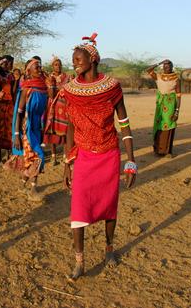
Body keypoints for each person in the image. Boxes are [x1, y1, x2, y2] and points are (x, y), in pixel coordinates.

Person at [61, 33, 137, 281]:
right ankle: (80, 261)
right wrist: (67, 163)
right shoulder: (71, 90)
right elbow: (70, 126)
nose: (75, 63)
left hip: (108, 154)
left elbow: (123, 122)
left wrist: (131, 160)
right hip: (84, 155)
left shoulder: (112, 87)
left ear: (92, 59)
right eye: (73, 60)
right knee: (79, 208)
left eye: (78, 59)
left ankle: (109, 250)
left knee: (109, 206)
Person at [5, 58, 49, 201]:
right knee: (37, 156)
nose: (39, 68)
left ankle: (23, 185)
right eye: (36, 66)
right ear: (28, 70)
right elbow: (19, 113)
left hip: (38, 127)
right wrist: (17, 135)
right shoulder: (27, 89)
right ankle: (33, 189)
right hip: (27, 128)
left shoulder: (43, 87)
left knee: (31, 158)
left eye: (40, 66)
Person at [146, 59, 181, 157]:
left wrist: (177, 111)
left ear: (172, 67)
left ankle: (167, 152)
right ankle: (158, 150)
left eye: (168, 66)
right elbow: (148, 70)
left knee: (169, 127)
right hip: (160, 106)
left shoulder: (176, 79)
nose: (166, 68)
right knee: (159, 127)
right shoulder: (158, 76)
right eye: (165, 66)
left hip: (170, 106)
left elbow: (178, 97)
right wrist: (159, 63)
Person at [44, 56, 70, 165]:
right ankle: (54, 156)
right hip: (52, 107)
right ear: (52, 66)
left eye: (59, 64)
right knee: (52, 130)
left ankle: (65, 156)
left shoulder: (67, 77)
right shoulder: (49, 78)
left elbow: (69, 91)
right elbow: (51, 94)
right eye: (55, 64)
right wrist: (55, 85)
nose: (58, 66)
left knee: (65, 130)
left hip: (64, 106)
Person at [0, 55, 15, 163]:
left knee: (9, 129)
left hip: (10, 104)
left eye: (6, 64)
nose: (6, 66)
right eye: (3, 64)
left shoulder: (11, 76)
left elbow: (13, 90)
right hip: (0, 104)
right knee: (0, 129)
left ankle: (8, 154)